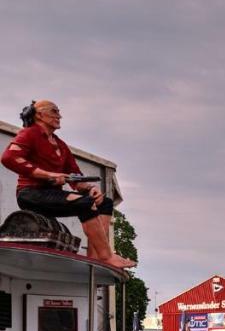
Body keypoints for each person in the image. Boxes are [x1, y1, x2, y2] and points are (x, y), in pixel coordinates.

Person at [2, 100, 134, 269]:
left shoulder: (61, 145)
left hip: (52, 195)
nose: (59, 116)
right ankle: (106, 256)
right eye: (54, 111)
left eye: (59, 112)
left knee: (104, 202)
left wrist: (90, 188)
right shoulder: (29, 134)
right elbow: (9, 158)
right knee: (84, 204)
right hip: (31, 194)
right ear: (39, 115)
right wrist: (48, 175)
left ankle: (95, 258)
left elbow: (75, 176)